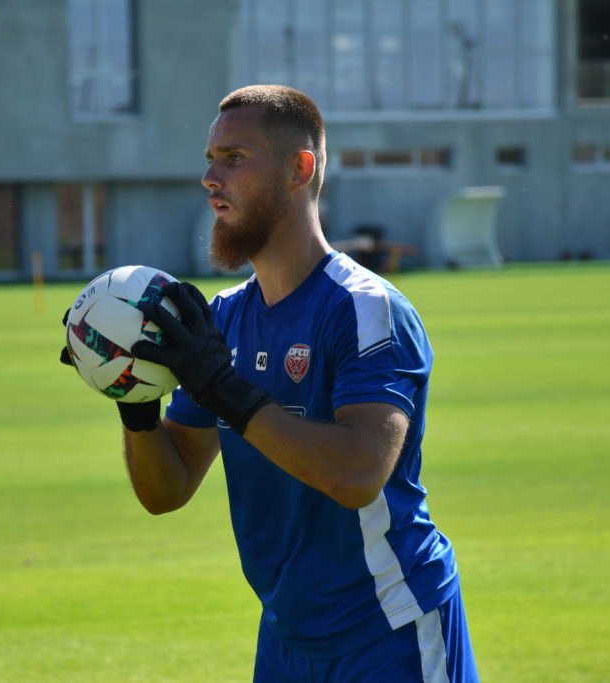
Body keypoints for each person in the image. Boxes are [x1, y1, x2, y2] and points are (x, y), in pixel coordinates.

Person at [66, 85, 478, 682]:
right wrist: (134, 399)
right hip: (286, 639)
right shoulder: (223, 318)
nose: (210, 178)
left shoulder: (365, 309)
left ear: (298, 170)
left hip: (391, 626)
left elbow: (359, 473)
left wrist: (225, 391)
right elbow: (166, 489)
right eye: (210, 159)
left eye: (234, 158)